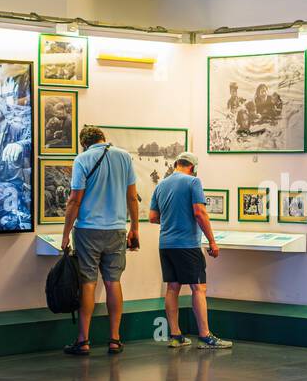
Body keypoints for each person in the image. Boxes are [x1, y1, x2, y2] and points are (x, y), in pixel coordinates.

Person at [60, 125, 139, 356]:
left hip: (88, 230)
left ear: (84, 143)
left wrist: (65, 234)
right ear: (104, 139)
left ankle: (83, 340)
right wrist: (134, 227)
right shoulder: (124, 157)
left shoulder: (82, 159)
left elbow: (74, 200)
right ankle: (115, 339)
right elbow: (132, 196)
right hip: (116, 229)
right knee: (113, 282)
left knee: (88, 283)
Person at [148, 152, 232, 349]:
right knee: (198, 288)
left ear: (176, 164)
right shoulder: (193, 182)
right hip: (187, 245)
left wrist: (171, 220)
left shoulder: (161, 185)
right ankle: (205, 336)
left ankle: (176, 336)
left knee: (172, 288)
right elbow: (200, 212)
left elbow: (153, 217)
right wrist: (212, 241)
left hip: (166, 244)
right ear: (193, 167)